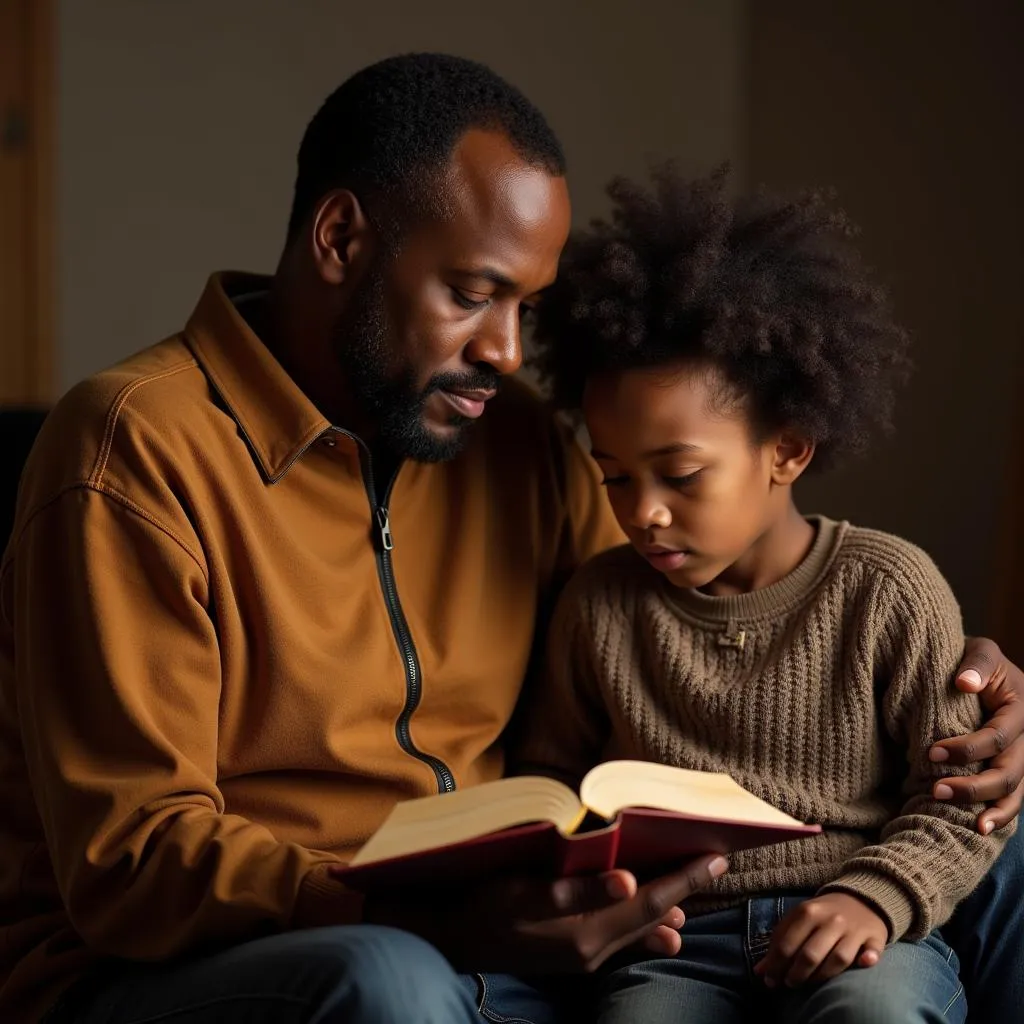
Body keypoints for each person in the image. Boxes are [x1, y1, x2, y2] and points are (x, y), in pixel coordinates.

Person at [0, 54, 1020, 1024]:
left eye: (528, 307)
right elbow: (130, 861)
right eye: (474, 293)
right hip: (223, 963)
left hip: (495, 943)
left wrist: (962, 698)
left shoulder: (512, 438)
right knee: (386, 977)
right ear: (342, 237)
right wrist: (406, 914)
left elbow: (677, 609)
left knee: (999, 839)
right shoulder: (133, 448)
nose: (506, 351)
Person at [517, 166, 1020, 1023]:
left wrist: (878, 896)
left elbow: (961, 805)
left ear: (787, 450)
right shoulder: (598, 607)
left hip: (861, 928)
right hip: (678, 946)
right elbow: (553, 785)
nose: (642, 512)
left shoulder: (887, 590)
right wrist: (588, 874)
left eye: (680, 475)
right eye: (614, 477)